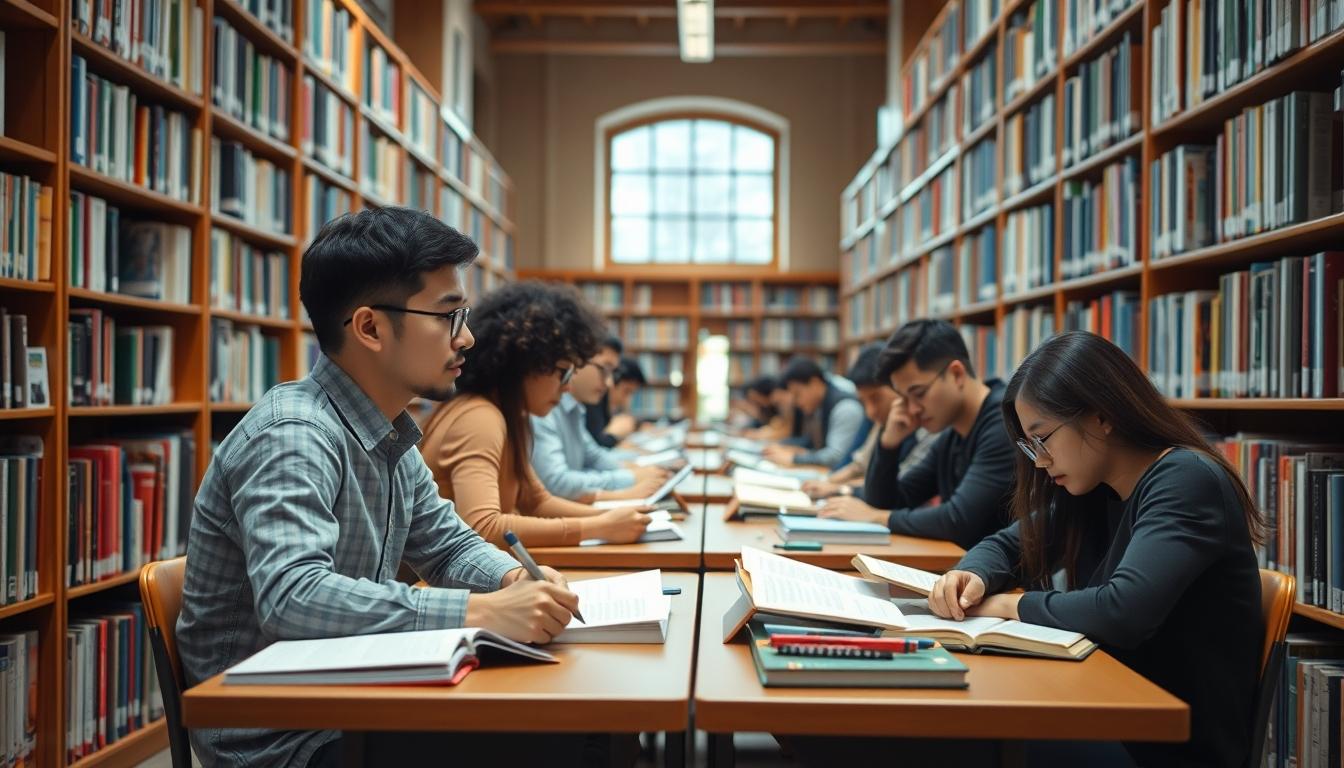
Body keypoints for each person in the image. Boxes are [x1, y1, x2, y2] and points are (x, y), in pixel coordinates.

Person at [176, 208, 580, 767]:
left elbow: (449, 545)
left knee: (571, 732)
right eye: (448, 316)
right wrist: (484, 613)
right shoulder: (294, 433)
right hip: (285, 739)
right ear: (369, 328)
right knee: (567, 740)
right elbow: (293, 596)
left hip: (355, 698)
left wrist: (514, 577)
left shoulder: (386, 433)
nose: (468, 337)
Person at [929, 331, 1264, 767]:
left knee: (968, 740)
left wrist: (1006, 607)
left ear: (1101, 416)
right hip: (1111, 709)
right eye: (1030, 446)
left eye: (1042, 437)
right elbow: (1006, 544)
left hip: (1168, 746)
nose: (1039, 461)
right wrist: (972, 575)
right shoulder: (1093, 491)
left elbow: (1121, 612)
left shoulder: (1186, 480)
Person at [420, 281, 651, 548]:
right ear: (525, 365)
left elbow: (537, 501)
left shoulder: (510, 415)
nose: (567, 386)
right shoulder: (480, 417)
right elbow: (482, 525)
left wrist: (612, 518)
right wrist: (596, 526)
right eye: (562, 371)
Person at [820, 319, 1015, 550]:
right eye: (903, 398)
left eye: (918, 393)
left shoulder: (1004, 423)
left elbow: (958, 520)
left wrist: (877, 517)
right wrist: (888, 444)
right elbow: (889, 500)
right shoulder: (953, 433)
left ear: (956, 374)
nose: (911, 410)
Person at [532, 338, 669, 502]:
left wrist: (639, 471)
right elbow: (556, 483)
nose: (610, 382)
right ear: (578, 360)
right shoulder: (541, 408)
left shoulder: (574, 408)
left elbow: (594, 456)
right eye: (605, 369)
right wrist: (630, 479)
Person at [803, 343, 937, 499]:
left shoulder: (930, 427)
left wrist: (838, 489)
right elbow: (860, 465)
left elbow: (901, 485)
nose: (870, 412)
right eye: (863, 402)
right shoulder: (883, 421)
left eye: (876, 398)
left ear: (899, 387)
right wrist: (825, 481)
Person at [761, 357, 865, 468]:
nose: (796, 403)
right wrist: (784, 446)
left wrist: (794, 458)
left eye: (798, 394)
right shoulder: (817, 407)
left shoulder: (846, 408)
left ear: (815, 383)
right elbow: (811, 442)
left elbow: (835, 456)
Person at [586, 353, 646, 447]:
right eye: (626, 391)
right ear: (614, 380)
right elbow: (597, 445)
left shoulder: (610, 405)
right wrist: (615, 436)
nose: (627, 399)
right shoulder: (594, 402)